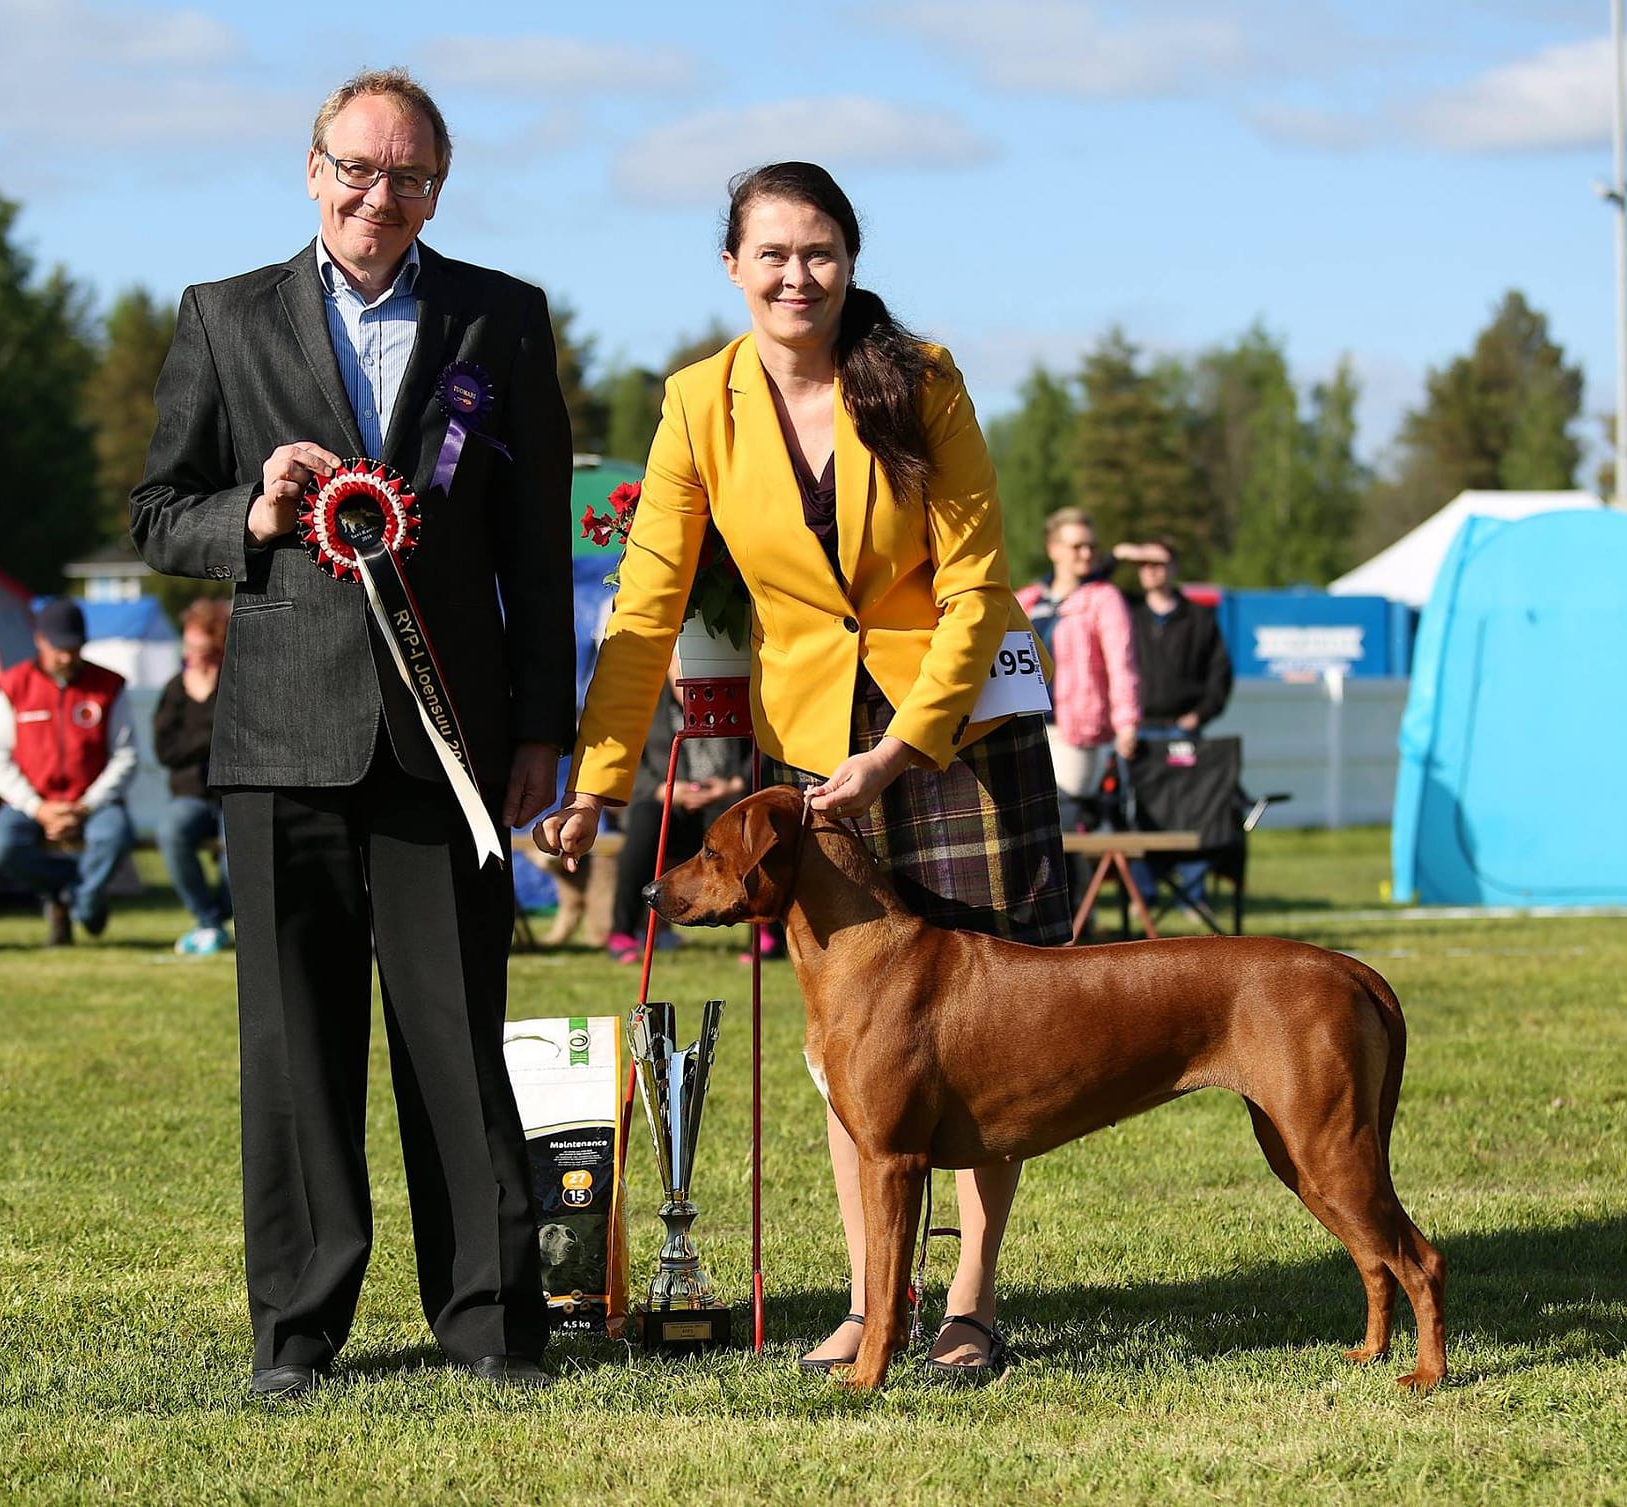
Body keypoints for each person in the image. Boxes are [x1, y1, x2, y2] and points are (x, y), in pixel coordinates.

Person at [536, 162, 1071, 1384]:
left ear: (850, 259)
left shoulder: (920, 375)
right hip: (811, 743)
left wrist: (903, 745)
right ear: (730, 266)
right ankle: (873, 1299)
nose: (796, 274)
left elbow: (979, 578)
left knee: (995, 1014)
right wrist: (600, 782)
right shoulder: (695, 403)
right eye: (771, 253)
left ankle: (969, 1304)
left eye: (819, 250)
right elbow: (647, 599)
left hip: (953, 727)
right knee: (855, 1028)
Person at [130, 68, 574, 1399]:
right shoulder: (221, 317)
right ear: (311, 168)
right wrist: (252, 517)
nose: (382, 197)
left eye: (412, 177)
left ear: (440, 187)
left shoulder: (501, 317)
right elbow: (156, 512)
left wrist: (540, 726)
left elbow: (533, 548)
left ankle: (491, 1316)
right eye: (359, 170)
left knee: (455, 1036)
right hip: (274, 742)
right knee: (292, 1052)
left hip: (447, 743)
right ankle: (300, 1326)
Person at [0, 598, 137, 946]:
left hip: (94, 803)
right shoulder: (14, 687)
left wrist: (85, 805)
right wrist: (37, 807)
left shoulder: (108, 687)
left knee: (113, 837)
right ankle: (75, 891)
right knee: (2, 847)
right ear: (39, 640)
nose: (67, 657)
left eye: (74, 648)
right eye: (59, 649)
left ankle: (80, 902)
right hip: (32, 802)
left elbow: (125, 755)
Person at [604, 665, 751, 965]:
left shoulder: (738, 693)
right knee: (646, 818)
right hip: (669, 804)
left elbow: (761, 749)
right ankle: (623, 931)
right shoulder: (645, 702)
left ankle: (764, 933)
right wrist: (663, 789)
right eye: (679, 665)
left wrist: (734, 784)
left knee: (750, 825)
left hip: (725, 802)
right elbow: (625, 760)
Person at [1015, 508, 1140, 820]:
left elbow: (1122, 665)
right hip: (1026, 724)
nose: (1086, 554)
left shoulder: (1105, 598)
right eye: (1077, 547)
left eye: (1091, 547)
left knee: (1064, 816)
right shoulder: (1028, 600)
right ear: (1053, 549)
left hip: (1075, 731)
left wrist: (1126, 724)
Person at [152, 598, 233, 955]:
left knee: (237, 852)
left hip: (231, 793)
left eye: (201, 647)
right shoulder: (174, 690)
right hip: (190, 795)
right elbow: (166, 752)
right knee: (171, 831)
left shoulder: (234, 681)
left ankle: (224, 913)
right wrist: (211, 738)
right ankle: (206, 919)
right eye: (188, 646)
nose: (193, 654)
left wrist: (200, 743)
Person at [1112, 538, 1231, 734]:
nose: (1150, 570)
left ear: (1174, 567)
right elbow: (1089, 583)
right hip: (1133, 727)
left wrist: (1200, 714)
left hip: (1182, 727)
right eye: (1143, 564)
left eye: (1157, 563)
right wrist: (1120, 555)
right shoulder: (1126, 611)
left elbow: (1220, 671)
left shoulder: (1198, 618)